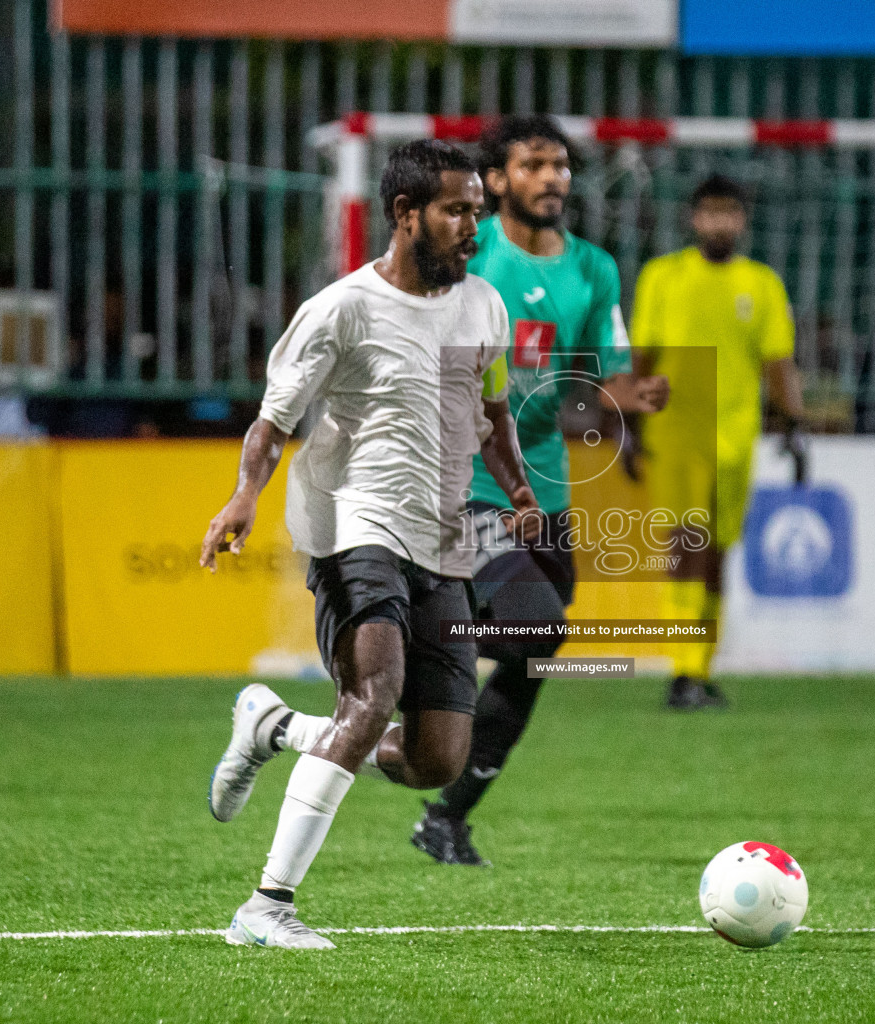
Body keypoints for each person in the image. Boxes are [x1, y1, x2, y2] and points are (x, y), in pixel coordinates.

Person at [199, 140, 540, 949]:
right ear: (405, 213)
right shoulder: (342, 309)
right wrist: (246, 493)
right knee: (373, 693)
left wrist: (520, 488)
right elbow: (272, 421)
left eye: (477, 214)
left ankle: (276, 729)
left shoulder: (485, 306)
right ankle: (266, 906)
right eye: (456, 211)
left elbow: (492, 416)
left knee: (437, 760)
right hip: (353, 524)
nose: (471, 228)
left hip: (442, 538)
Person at [409, 114, 669, 867]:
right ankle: (419, 649)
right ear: (495, 181)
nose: (553, 177)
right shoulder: (469, 252)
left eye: (559, 165)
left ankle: (447, 817)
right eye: (533, 164)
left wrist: (629, 396)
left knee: (536, 651)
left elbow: (598, 377)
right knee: (537, 629)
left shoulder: (593, 268)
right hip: (469, 481)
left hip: (545, 493)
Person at [630, 174, 806, 711]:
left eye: (729, 212)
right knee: (684, 547)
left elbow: (777, 362)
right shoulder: (663, 277)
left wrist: (794, 425)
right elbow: (643, 356)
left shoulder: (762, 285)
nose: (720, 221)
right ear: (693, 218)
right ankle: (682, 672)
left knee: (716, 555)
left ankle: (699, 671)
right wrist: (628, 427)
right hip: (676, 434)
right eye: (710, 211)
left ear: (742, 221)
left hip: (734, 439)